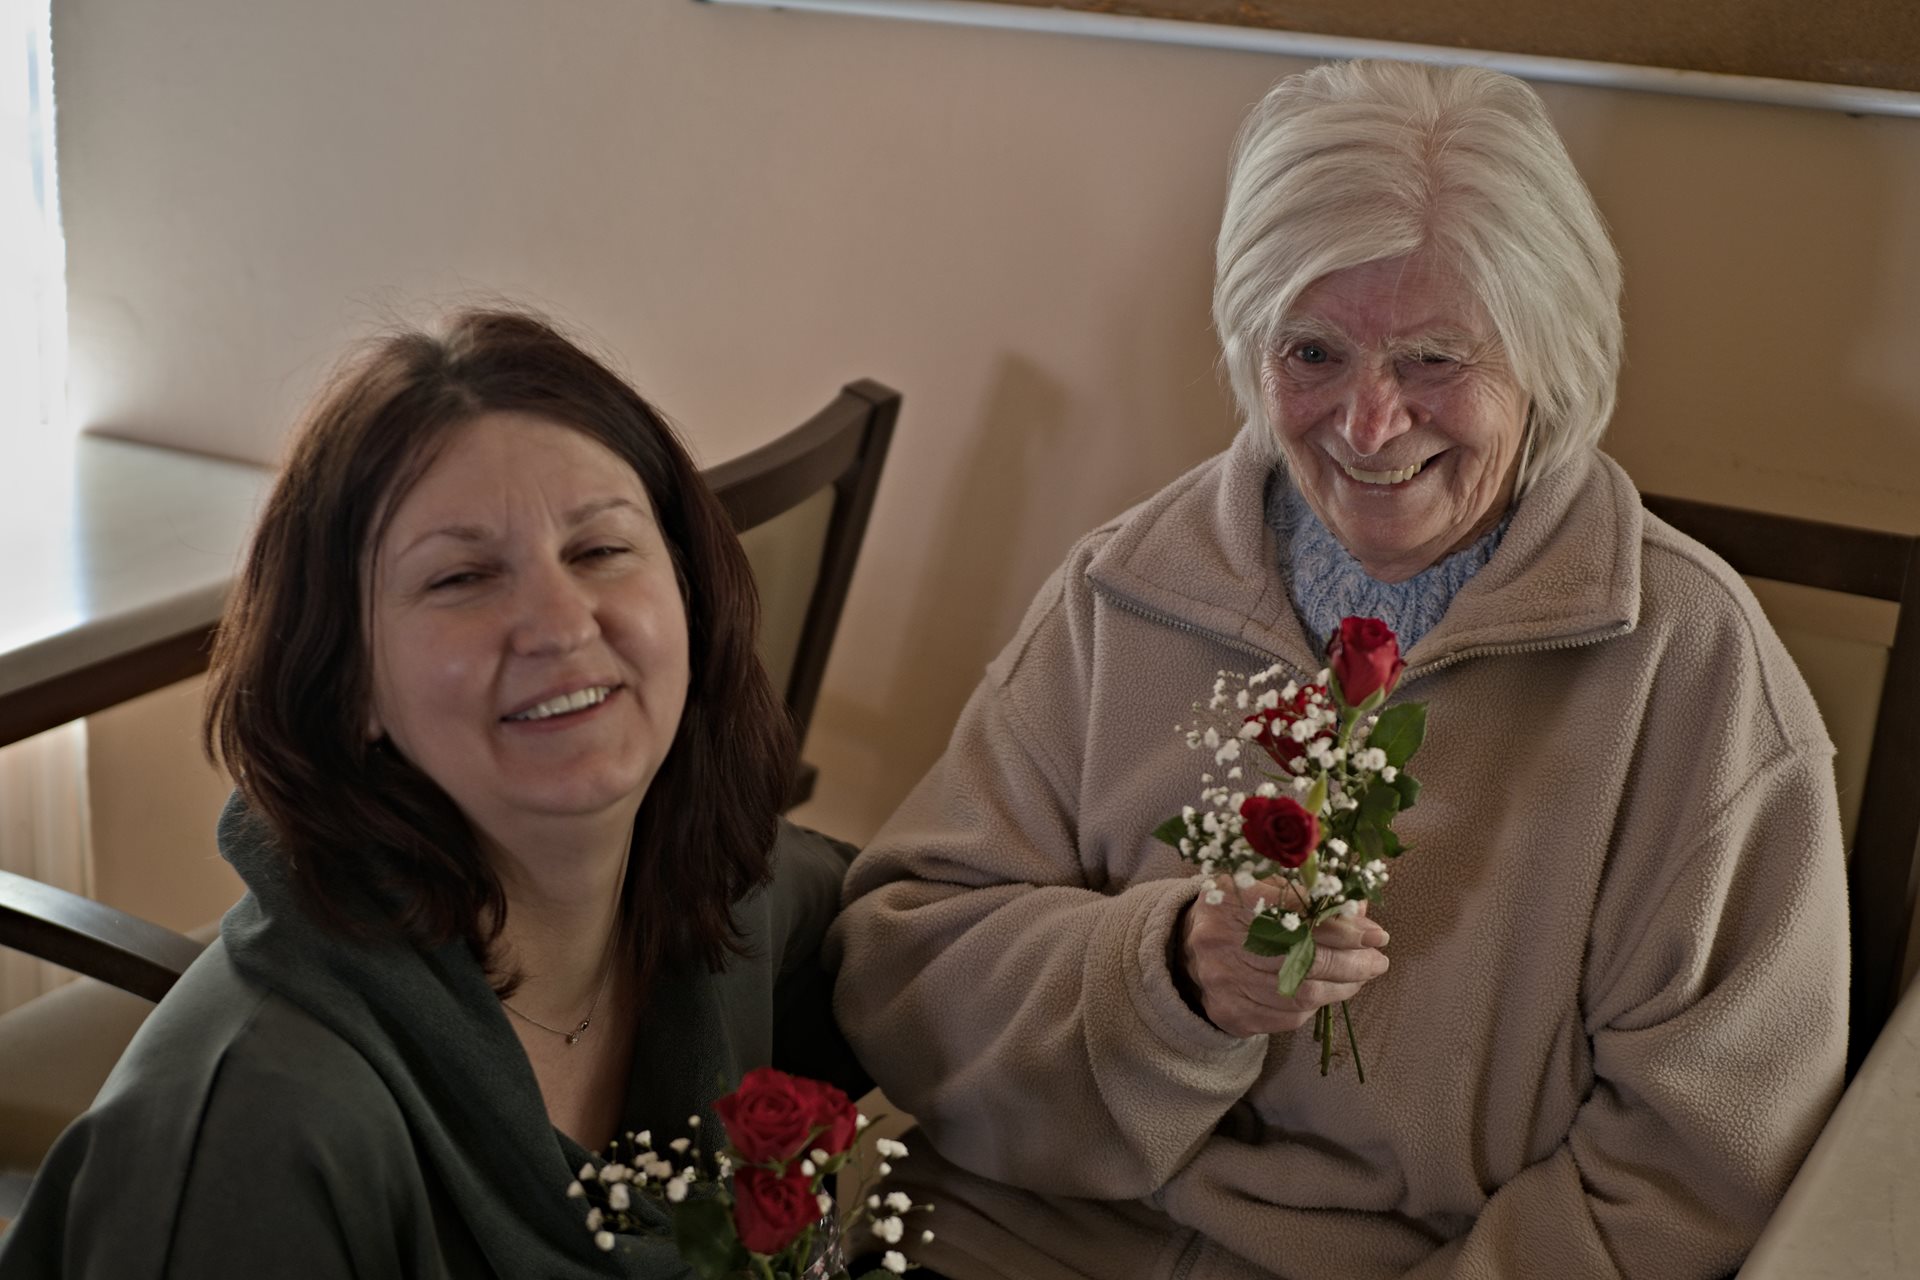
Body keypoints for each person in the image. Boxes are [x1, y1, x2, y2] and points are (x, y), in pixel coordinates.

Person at [829, 60, 1847, 1280]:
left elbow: (1695, 1174)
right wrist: (1167, 977)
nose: (1368, 425)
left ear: (1552, 357)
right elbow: (904, 967)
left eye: (1433, 359)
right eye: (1313, 353)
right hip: (1016, 1239)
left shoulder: (1691, 667)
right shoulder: (1127, 586)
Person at [0, 309, 864, 1278]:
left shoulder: (735, 895)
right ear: (351, 682)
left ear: (691, 594)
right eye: (461, 576)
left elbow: (924, 932)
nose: (560, 623)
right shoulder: (256, 1149)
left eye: (599, 551)